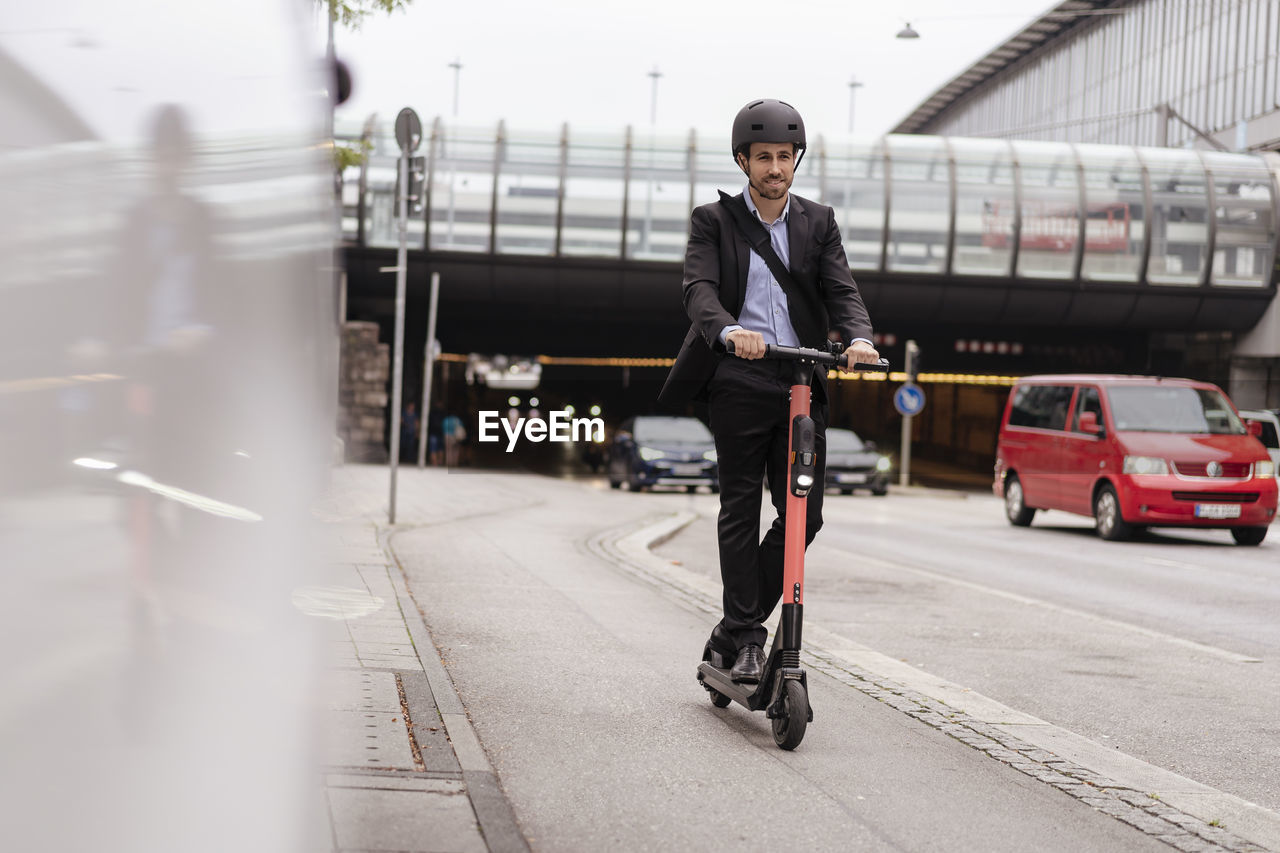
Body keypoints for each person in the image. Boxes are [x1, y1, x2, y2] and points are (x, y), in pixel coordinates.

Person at [658, 99, 879, 685]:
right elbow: (699, 289)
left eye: (785, 156)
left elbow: (843, 290)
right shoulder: (715, 221)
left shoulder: (819, 221)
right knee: (739, 508)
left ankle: (733, 625)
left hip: (801, 381)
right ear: (743, 161)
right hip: (739, 378)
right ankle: (751, 639)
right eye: (764, 158)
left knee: (806, 515)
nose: (776, 167)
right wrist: (729, 330)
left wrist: (859, 339)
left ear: (795, 160)